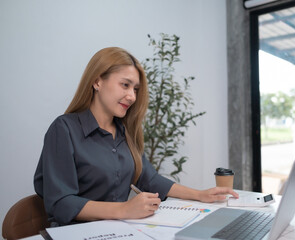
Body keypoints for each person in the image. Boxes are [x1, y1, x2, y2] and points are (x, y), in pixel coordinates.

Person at [34, 47, 238, 226]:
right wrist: (124, 209)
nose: (132, 96)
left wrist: (200, 195)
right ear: (97, 81)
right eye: (125, 85)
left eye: (135, 89)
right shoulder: (64, 129)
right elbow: (61, 202)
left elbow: (151, 180)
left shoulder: (123, 132)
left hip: (118, 230)